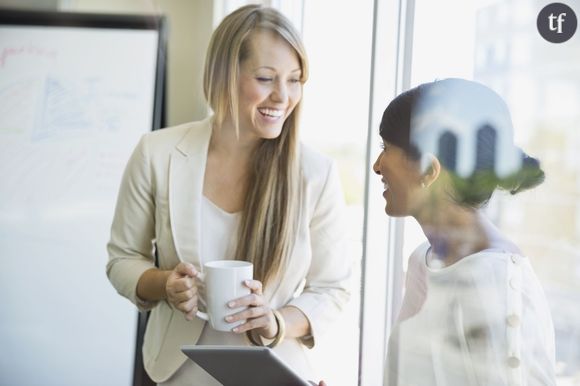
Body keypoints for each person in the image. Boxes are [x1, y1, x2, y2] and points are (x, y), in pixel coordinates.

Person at [106, 5, 352, 385]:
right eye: (266, 78)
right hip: (175, 373)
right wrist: (165, 285)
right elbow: (123, 259)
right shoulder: (157, 153)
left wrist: (276, 323)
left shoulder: (315, 173)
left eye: (295, 79)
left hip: (274, 374)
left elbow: (332, 289)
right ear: (224, 75)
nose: (283, 96)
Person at [315, 78, 556, 386]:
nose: (377, 165)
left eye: (386, 148)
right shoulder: (424, 262)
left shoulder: (494, 282)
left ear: (429, 170)